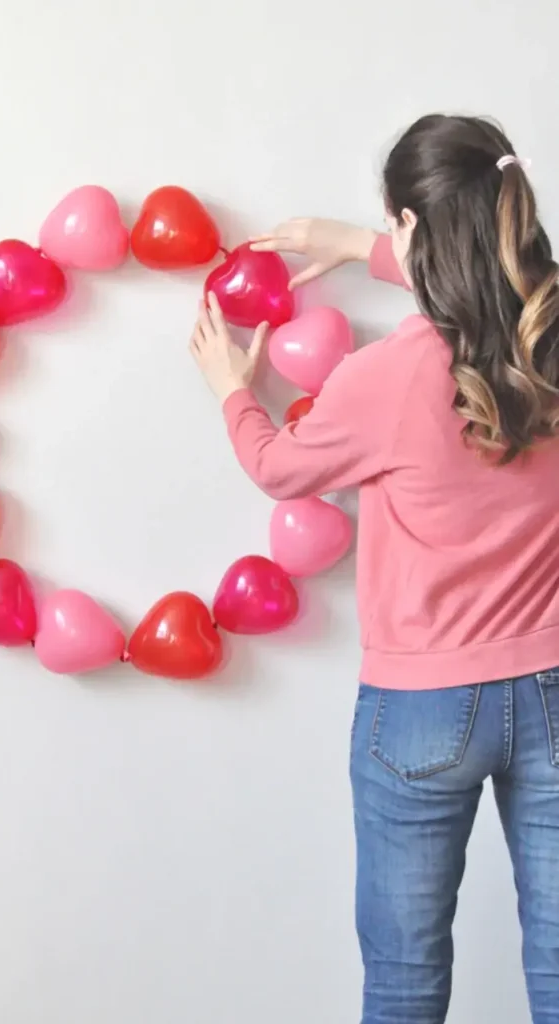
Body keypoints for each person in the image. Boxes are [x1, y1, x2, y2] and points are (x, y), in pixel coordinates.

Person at [189, 114, 559, 1024]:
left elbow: (278, 467)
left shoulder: (383, 376)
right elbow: (487, 279)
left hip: (420, 710)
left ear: (411, 228)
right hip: (553, 689)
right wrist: (362, 243)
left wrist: (232, 388)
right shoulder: (551, 333)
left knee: (403, 979)